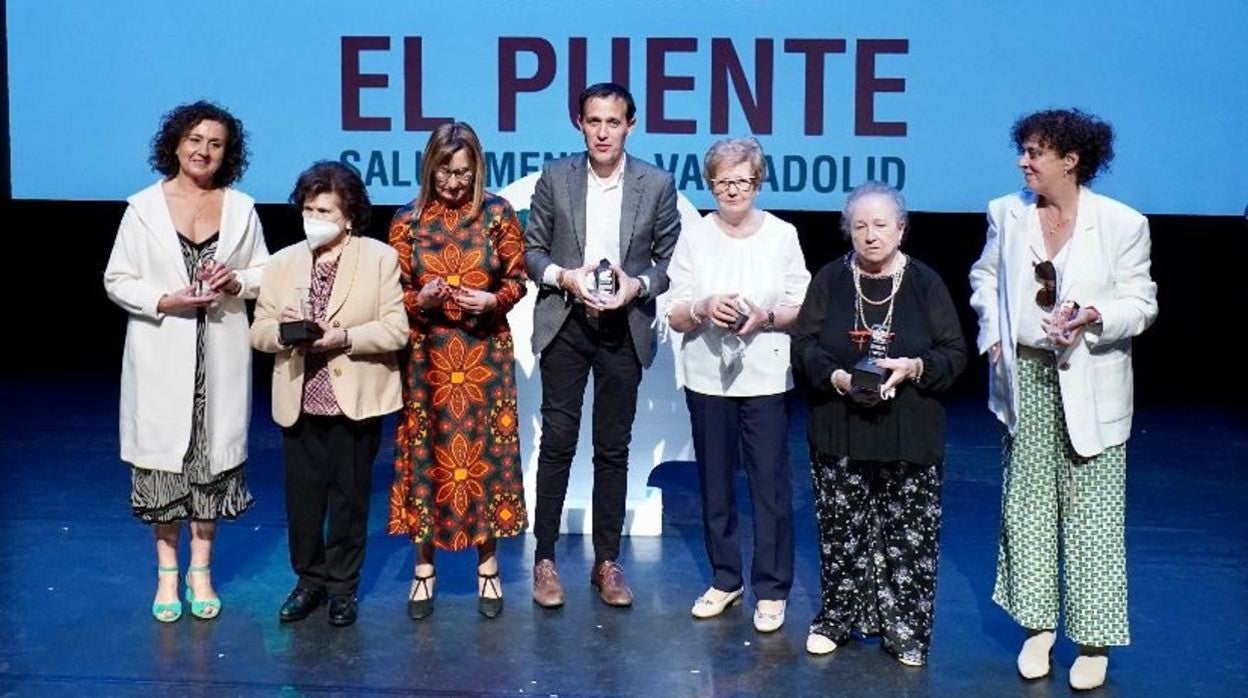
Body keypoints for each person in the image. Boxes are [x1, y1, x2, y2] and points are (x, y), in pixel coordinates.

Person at [969, 109, 1157, 690]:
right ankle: (1038, 629)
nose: (1024, 162)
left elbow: (1143, 304)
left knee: (1091, 514)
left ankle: (1093, 641)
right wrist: (995, 337)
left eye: (1035, 153)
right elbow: (985, 278)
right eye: (1023, 151)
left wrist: (1096, 316)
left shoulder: (1123, 223)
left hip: (1090, 382)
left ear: (1070, 161)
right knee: (1026, 507)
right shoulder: (1007, 213)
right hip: (1023, 376)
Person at [104, 101, 267, 623]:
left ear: (227, 154)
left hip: (218, 352)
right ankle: (167, 574)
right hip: (162, 350)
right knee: (163, 471)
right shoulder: (143, 209)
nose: (204, 151)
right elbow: (117, 278)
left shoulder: (240, 209)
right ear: (175, 144)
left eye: (215, 143)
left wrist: (238, 281)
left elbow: (266, 271)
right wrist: (162, 300)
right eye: (195, 140)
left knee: (209, 466)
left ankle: (202, 571)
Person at [790, 182, 965, 666]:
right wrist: (839, 377)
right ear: (847, 230)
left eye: (881, 224)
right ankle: (837, 619)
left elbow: (954, 354)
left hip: (909, 432)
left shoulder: (926, 283)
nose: (870, 235)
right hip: (840, 427)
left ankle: (906, 630)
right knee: (840, 535)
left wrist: (913, 368)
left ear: (902, 229)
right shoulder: (829, 279)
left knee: (908, 538)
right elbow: (802, 347)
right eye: (859, 225)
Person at [523, 82, 681, 608]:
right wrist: (566, 277)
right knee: (559, 442)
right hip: (567, 321)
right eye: (594, 121)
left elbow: (668, 264)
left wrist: (638, 286)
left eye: (613, 122)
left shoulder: (656, 184)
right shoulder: (556, 176)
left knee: (613, 448)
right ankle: (544, 559)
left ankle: (607, 563)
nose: (603, 132)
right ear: (580, 123)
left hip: (623, 326)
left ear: (630, 125)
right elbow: (532, 252)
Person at [251, 161, 408, 627]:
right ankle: (309, 581)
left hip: (353, 399)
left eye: (324, 210)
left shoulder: (379, 258)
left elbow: (396, 330)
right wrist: (284, 334)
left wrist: (343, 337)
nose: (313, 218)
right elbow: (258, 330)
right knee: (303, 502)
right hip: (299, 398)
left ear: (350, 216)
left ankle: (343, 588)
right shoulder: (282, 263)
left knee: (350, 499)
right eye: (308, 208)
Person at [664, 137, 809, 632]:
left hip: (765, 375)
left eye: (741, 181)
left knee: (770, 486)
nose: (732, 190)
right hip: (707, 376)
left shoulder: (782, 235)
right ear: (710, 185)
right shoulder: (695, 236)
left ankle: (771, 589)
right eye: (722, 182)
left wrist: (765, 316)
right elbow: (675, 311)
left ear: (757, 182)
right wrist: (704, 308)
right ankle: (726, 579)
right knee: (715, 484)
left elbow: (799, 304)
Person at [386, 122, 529, 620]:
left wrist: (494, 298)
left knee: (484, 455)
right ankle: (424, 569)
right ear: (430, 167)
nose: (454, 183)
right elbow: (395, 294)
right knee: (429, 456)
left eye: (464, 173)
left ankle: (487, 565)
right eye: (445, 172)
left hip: (484, 354)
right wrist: (419, 299)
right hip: (428, 356)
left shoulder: (496, 215)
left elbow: (517, 278)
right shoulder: (407, 221)